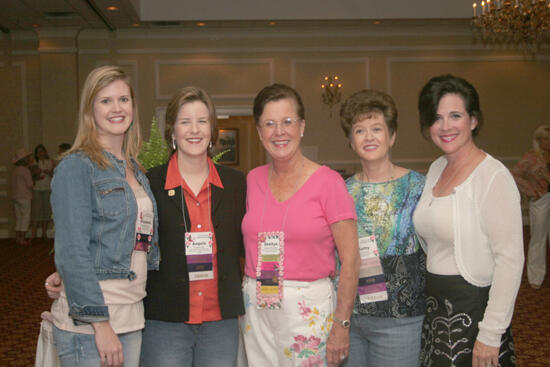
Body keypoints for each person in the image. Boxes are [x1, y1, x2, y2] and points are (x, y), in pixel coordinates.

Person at [47, 65, 160, 367]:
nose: (116, 108)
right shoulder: (77, 166)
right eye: (105, 100)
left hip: (131, 315)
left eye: (123, 99)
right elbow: (72, 251)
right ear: (90, 110)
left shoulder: (135, 169)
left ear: (133, 107)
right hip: (92, 322)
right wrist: (100, 324)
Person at [240, 83, 360, 367]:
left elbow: (352, 261)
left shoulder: (329, 182)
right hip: (256, 307)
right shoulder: (252, 179)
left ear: (302, 126)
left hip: (309, 310)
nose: (279, 131)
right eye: (269, 124)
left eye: (287, 122)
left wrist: (342, 324)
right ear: (259, 132)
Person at [413, 74, 523, 367]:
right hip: (436, 307)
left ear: (473, 120)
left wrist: (491, 332)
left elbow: (510, 260)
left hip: (474, 309)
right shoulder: (436, 168)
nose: (445, 126)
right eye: (436, 118)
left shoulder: (493, 176)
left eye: (455, 115)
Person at [140, 86, 246, 366]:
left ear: (212, 129)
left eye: (202, 121)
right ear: (172, 131)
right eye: (185, 121)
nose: (194, 129)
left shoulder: (236, 184)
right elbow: (128, 243)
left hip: (220, 322)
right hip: (165, 321)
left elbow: (251, 241)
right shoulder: (149, 184)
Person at [339, 89, 426, 367]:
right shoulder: (341, 191)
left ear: (392, 135)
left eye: (377, 128)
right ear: (351, 142)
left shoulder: (419, 187)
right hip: (352, 318)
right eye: (359, 130)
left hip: (400, 318)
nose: (369, 137)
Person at [512, 124, 550, 289]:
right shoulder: (531, 157)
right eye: (545, 139)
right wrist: (531, 190)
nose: (548, 142)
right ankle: (536, 277)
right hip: (541, 199)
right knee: (538, 239)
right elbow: (515, 175)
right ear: (539, 140)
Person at [30, 144, 54, 242]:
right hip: (37, 189)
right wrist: (37, 172)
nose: (41, 153)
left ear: (45, 152)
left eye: (42, 151)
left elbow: (54, 174)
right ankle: (33, 234)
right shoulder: (34, 162)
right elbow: (32, 176)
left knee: (46, 211)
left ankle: (44, 233)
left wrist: (49, 172)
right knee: (36, 212)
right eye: (38, 152)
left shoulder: (50, 162)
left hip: (47, 188)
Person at [11, 148, 34, 246]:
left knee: (19, 218)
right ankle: (22, 239)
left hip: (15, 196)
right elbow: (30, 184)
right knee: (25, 218)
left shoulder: (15, 170)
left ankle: (18, 238)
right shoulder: (25, 170)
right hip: (24, 196)